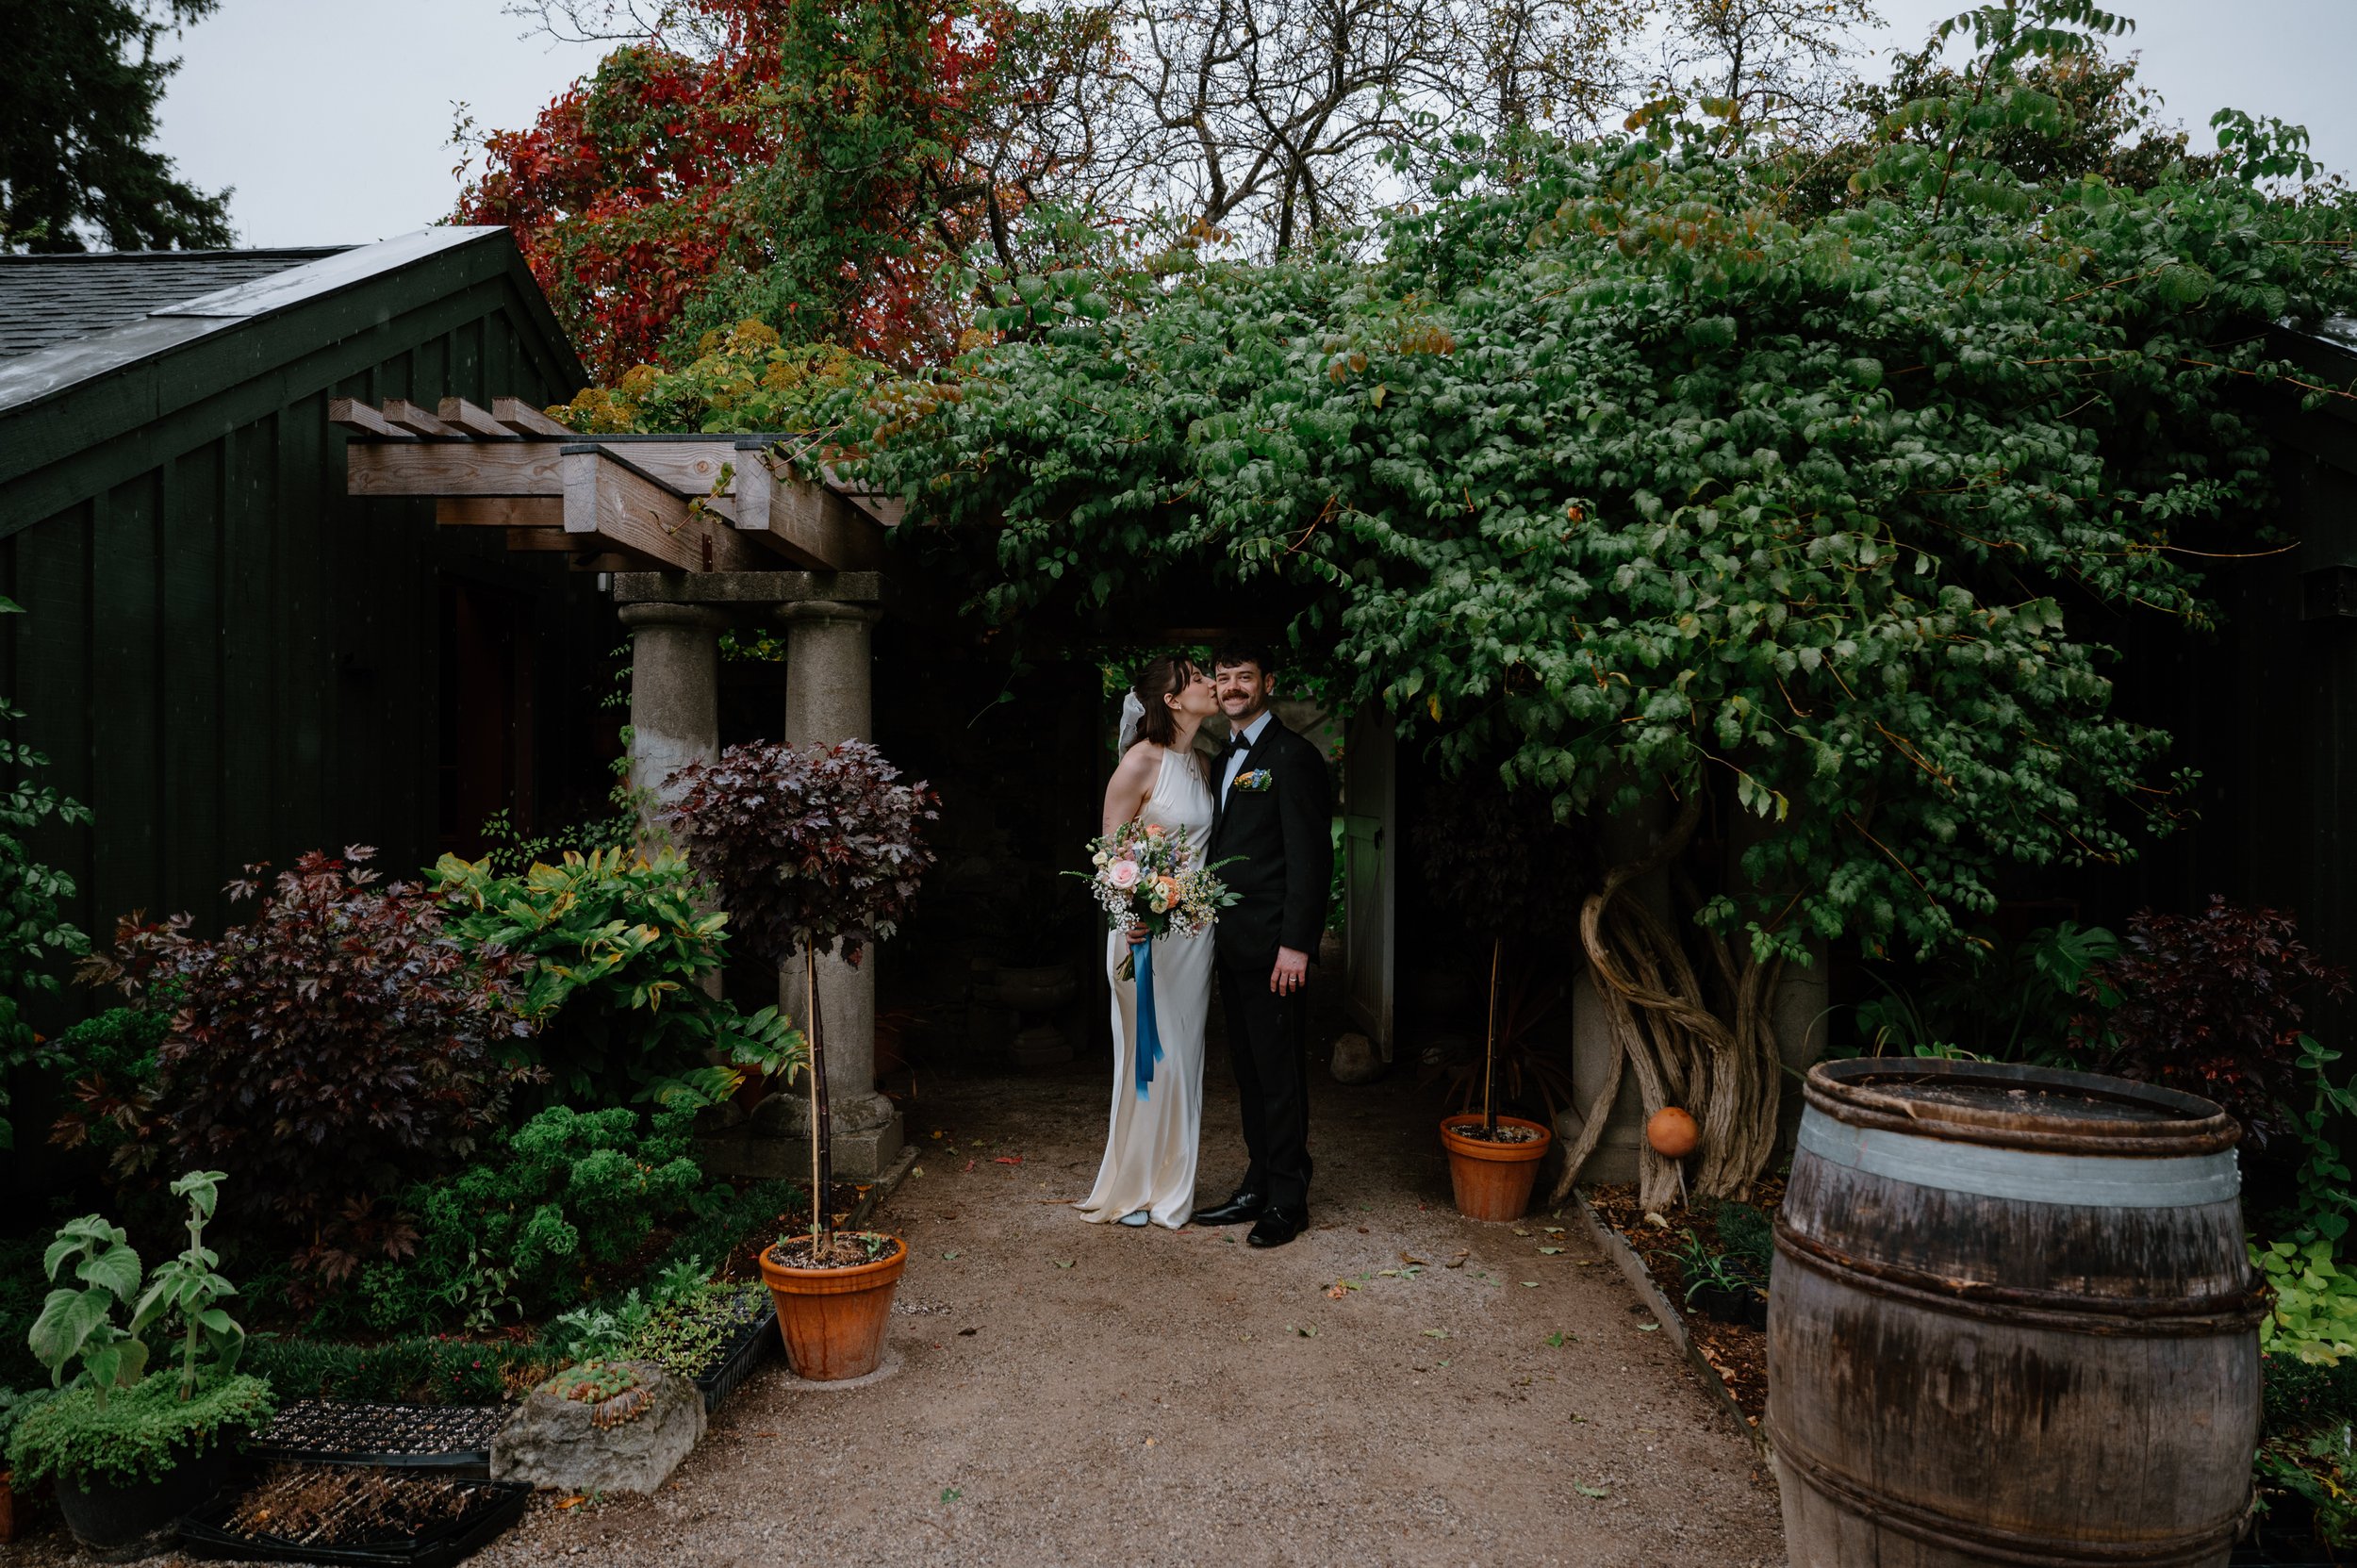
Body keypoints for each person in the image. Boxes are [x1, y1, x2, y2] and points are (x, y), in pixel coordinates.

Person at [1189, 641, 1332, 1248]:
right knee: (1248, 1071)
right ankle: (1257, 1181)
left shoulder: (1293, 757)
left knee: (1280, 1073)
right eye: (1224, 679)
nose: (1233, 688)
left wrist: (1297, 944)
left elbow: (1311, 857)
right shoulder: (1223, 759)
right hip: (1230, 943)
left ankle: (1289, 1196)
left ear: (1266, 682)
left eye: (1244, 677)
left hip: (1275, 948)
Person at [1075, 655, 1221, 1229]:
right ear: (1173, 701)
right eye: (1199, 679)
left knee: (1186, 1056)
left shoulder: (1204, 764)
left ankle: (1171, 1184)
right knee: (1145, 1056)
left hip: (1193, 935)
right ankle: (1133, 1184)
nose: (1213, 683)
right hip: (1141, 935)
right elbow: (1110, 855)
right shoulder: (1140, 763)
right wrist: (1128, 913)